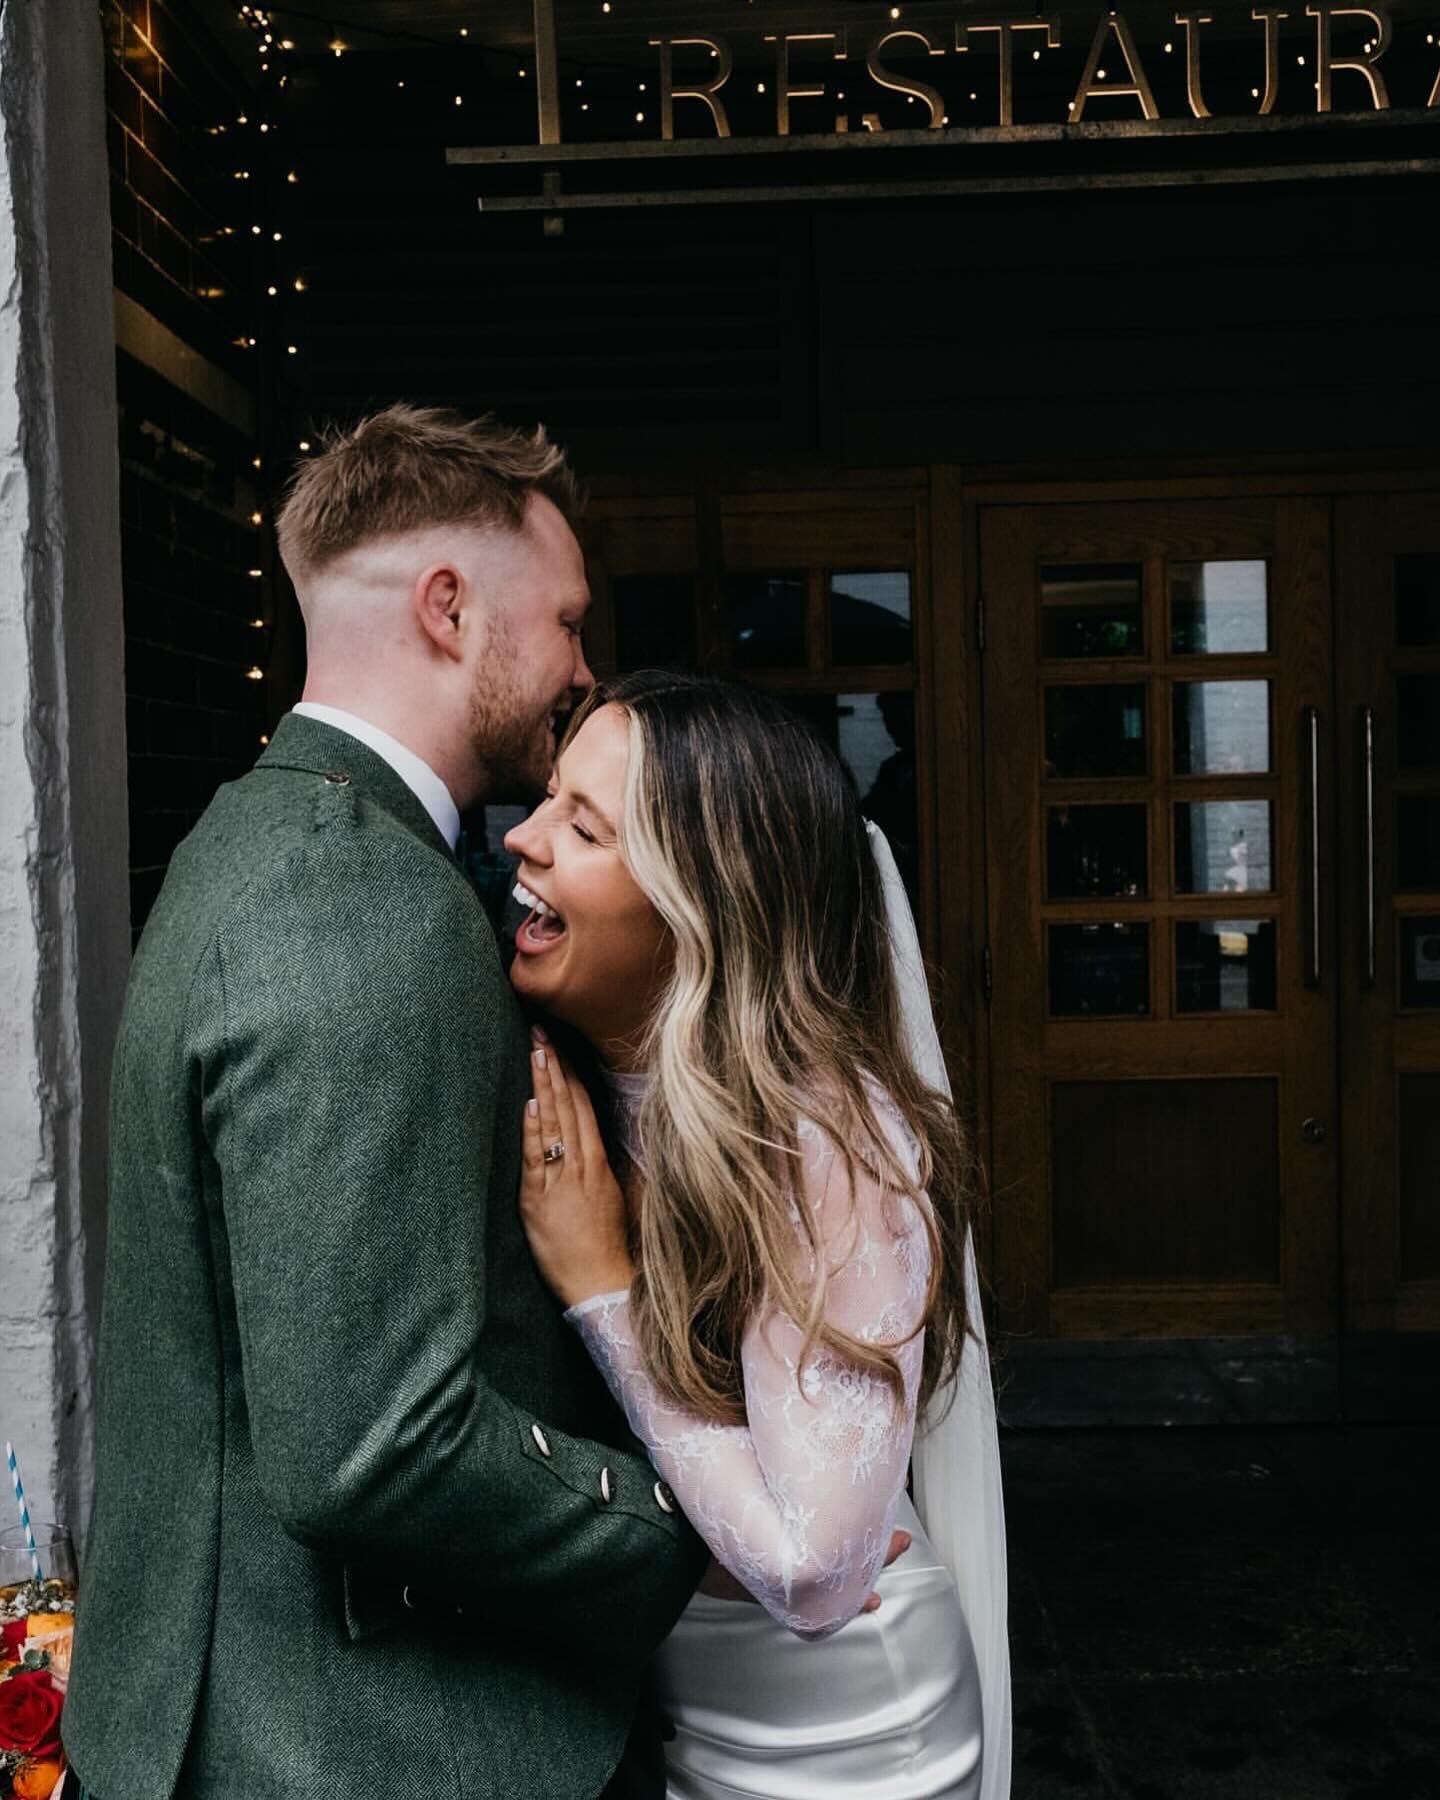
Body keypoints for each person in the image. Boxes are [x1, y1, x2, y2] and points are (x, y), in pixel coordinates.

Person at [62, 408, 712, 1800]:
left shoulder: (252, 836)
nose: (584, 673)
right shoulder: (365, 905)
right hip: (352, 1743)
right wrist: (666, 1527)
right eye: (568, 623)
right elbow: (371, 1446)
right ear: (450, 607)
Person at [504, 672, 1012, 1800]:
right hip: (694, 1713)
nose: (522, 840)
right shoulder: (583, 1075)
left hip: (851, 1739)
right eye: (547, 801)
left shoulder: (824, 1134)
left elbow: (817, 1569)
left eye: (583, 827)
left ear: (704, 903)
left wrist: (602, 1288)